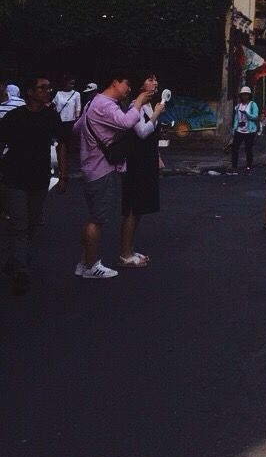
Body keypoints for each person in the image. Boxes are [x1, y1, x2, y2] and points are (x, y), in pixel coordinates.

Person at [76, 72, 158, 279]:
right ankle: (91, 266)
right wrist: (140, 101)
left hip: (91, 164)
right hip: (100, 167)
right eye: (127, 84)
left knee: (96, 216)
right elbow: (127, 123)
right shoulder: (106, 104)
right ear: (115, 82)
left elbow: (77, 127)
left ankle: (84, 262)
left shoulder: (93, 103)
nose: (129, 89)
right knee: (97, 219)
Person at [0, 74, 69, 294]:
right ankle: (21, 270)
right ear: (30, 92)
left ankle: (15, 257)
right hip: (14, 177)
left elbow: (61, 144)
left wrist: (63, 174)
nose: (47, 91)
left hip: (39, 178)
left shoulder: (50, 116)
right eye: (42, 88)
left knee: (33, 221)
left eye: (49, 87)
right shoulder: (15, 117)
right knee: (19, 222)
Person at [119, 88, 169, 268]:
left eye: (155, 79)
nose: (154, 84)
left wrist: (157, 156)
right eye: (150, 80)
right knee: (132, 208)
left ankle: (130, 251)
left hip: (147, 159)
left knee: (139, 208)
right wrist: (156, 113)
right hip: (136, 162)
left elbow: (151, 135)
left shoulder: (148, 105)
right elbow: (141, 131)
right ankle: (124, 254)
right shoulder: (135, 106)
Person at [229, 85, 260, 174]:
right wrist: (234, 128)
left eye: (246, 94)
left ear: (249, 95)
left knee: (248, 149)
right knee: (235, 148)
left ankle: (248, 167)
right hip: (239, 129)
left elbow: (255, 116)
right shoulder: (238, 105)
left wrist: (247, 114)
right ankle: (234, 166)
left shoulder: (253, 105)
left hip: (249, 131)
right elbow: (236, 118)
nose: (244, 96)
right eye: (243, 95)